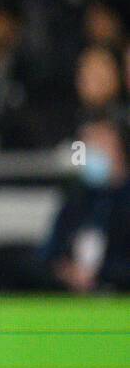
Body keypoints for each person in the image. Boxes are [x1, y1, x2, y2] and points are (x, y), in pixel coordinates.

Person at [40, 118, 130, 293]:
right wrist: (67, 272)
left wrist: (101, 273)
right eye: (86, 146)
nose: (91, 153)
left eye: (99, 145)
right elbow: (49, 254)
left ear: (120, 149)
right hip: (70, 295)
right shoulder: (76, 200)